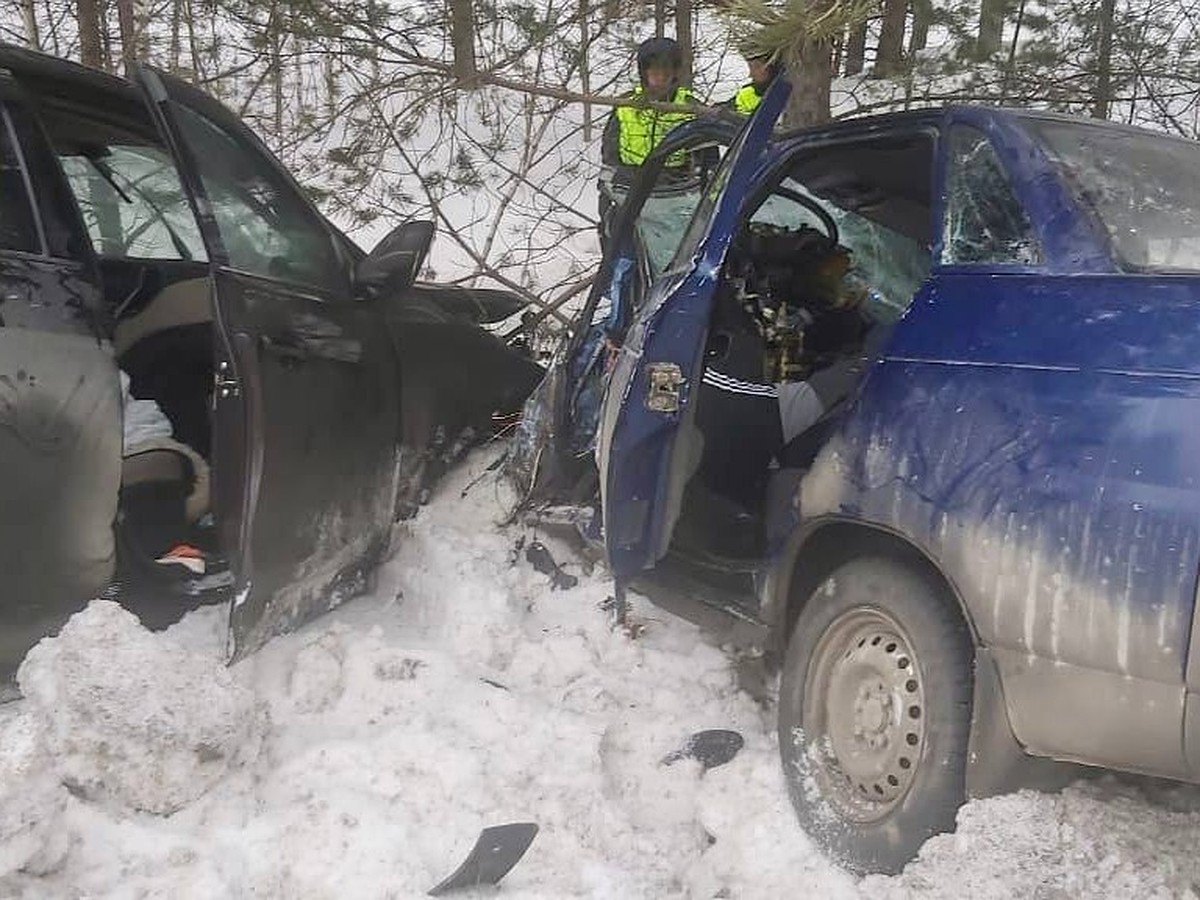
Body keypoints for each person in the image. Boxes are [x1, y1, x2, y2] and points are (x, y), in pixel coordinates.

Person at [601, 37, 698, 180]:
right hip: (630, 182)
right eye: (654, 72)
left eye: (666, 73)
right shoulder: (627, 104)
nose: (660, 78)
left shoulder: (690, 107)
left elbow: (705, 160)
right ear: (644, 73)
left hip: (675, 185)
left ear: (675, 73)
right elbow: (610, 153)